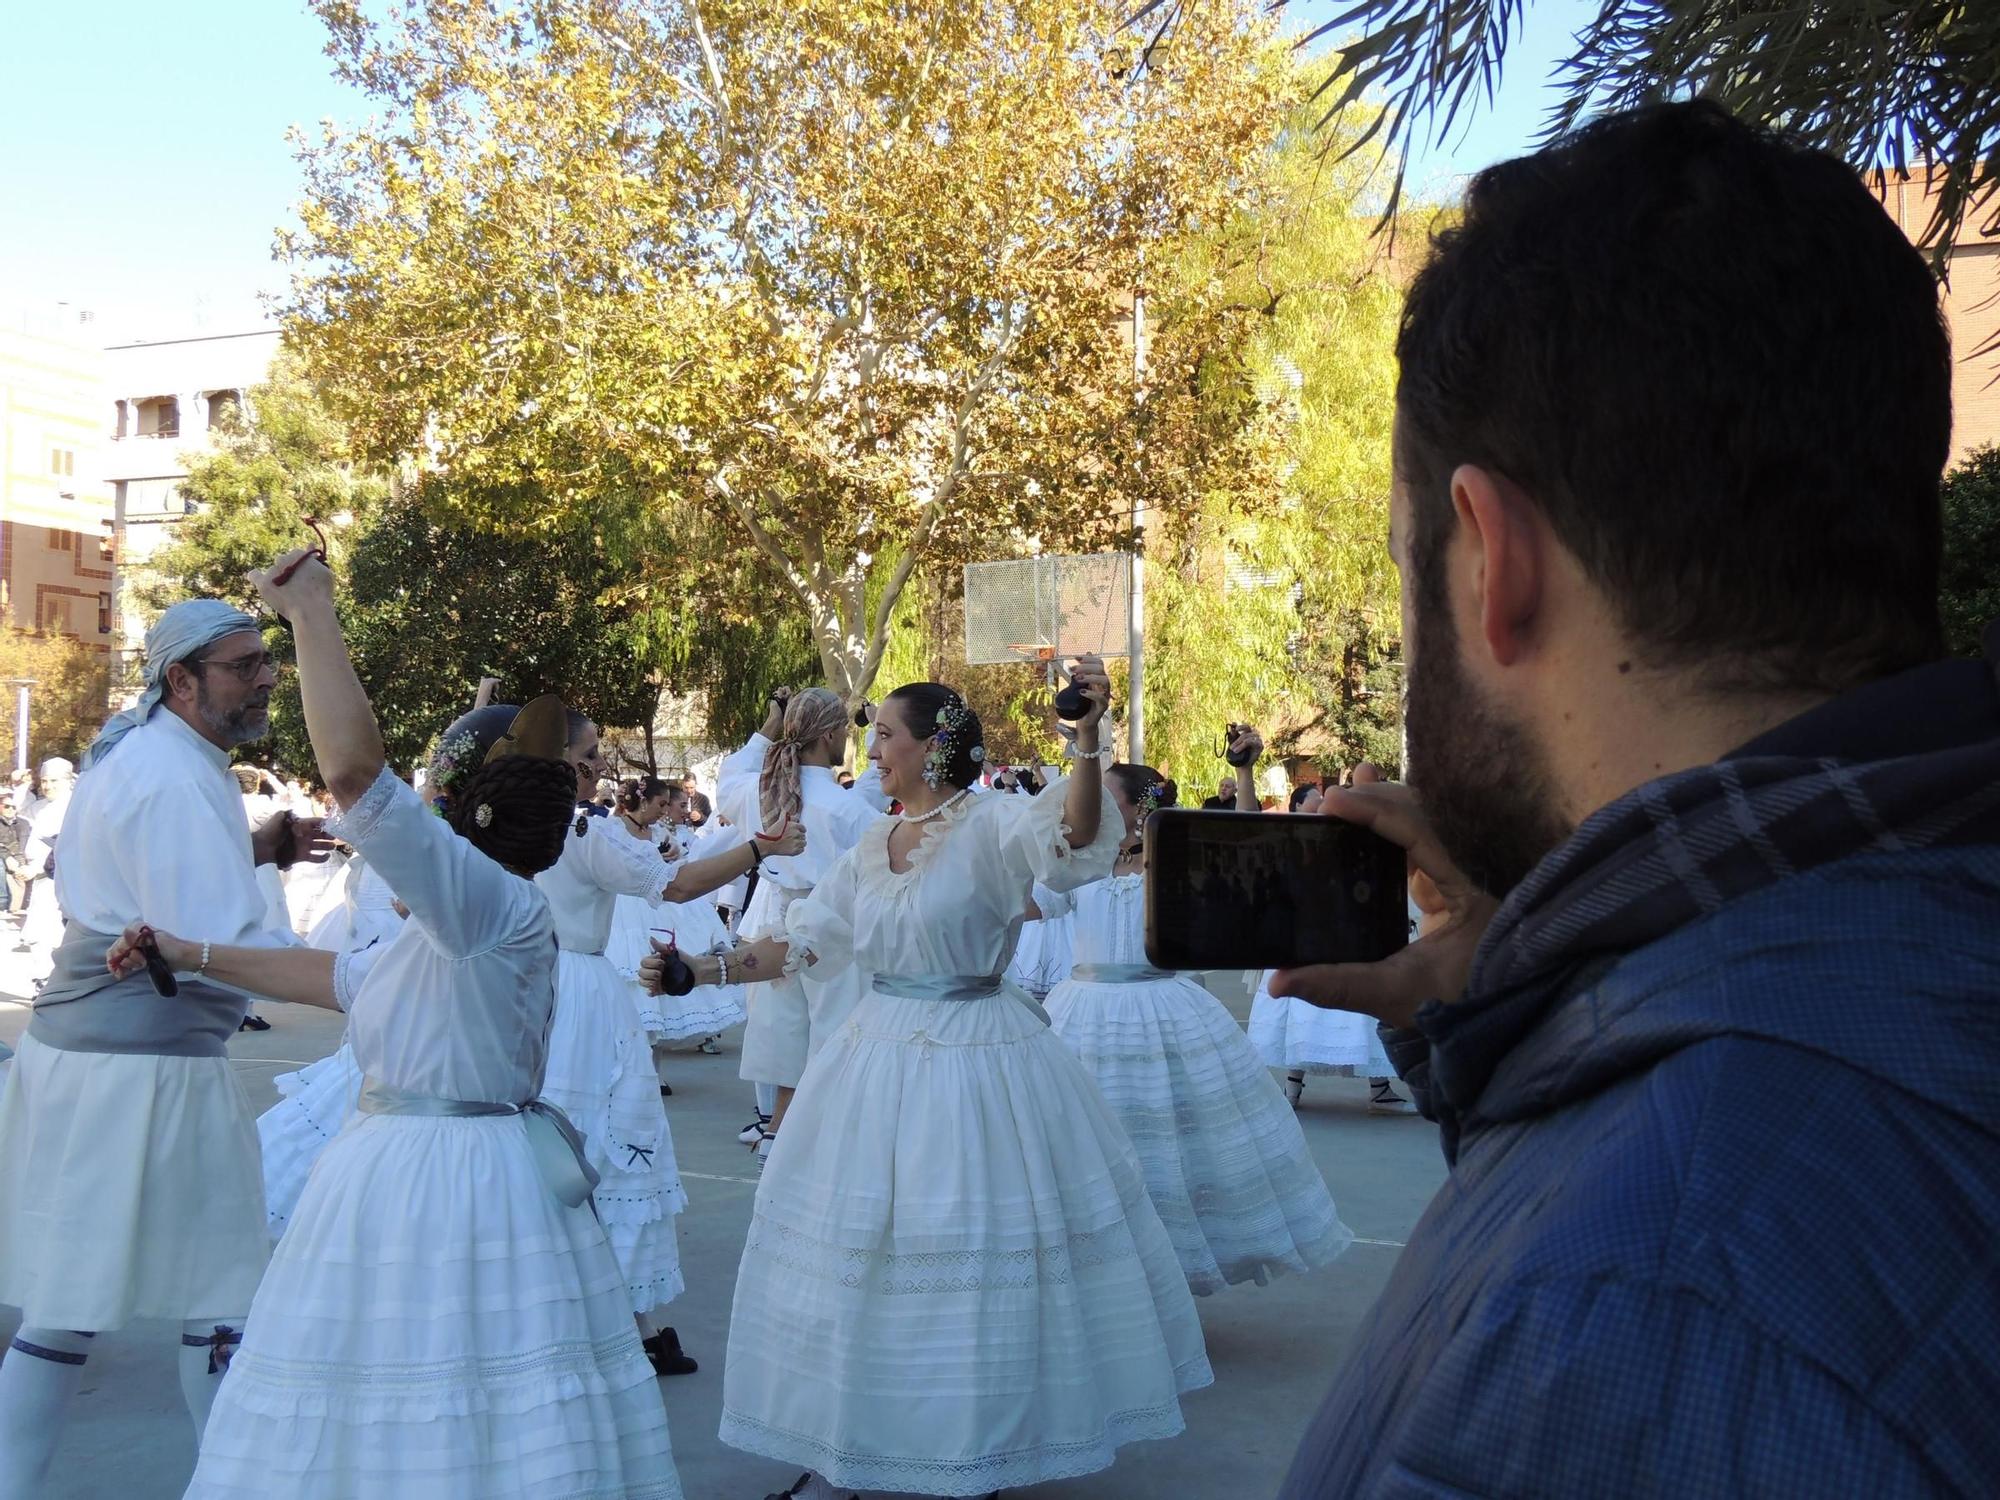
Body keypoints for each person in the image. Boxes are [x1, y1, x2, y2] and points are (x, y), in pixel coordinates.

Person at [1275, 102, 2000, 1498]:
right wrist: (1550, 1030)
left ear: (1490, 564)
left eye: (1407, 566)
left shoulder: (1638, 1316)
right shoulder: (1905, 952)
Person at [132, 549, 682, 1498]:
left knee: (437, 1387)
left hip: (444, 1182)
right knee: (427, 1396)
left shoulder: (484, 900)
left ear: (458, 807)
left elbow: (352, 773)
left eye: (433, 788)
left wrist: (311, 612)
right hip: (430, 1170)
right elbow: (338, 975)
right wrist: (191, 952)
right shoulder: (463, 914)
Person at [649, 659, 1211, 1498]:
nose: (870, 749)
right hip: (872, 1058)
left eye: (884, 736)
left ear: (931, 748)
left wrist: (1086, 739)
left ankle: (969, 1454)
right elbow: (804, 942)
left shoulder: (993, 822)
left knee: (967, 1261)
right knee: (861, 1258)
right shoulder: (872, 841)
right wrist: (700, 969)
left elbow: (1068, 844)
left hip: (981, 1060)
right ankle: (846, 1445)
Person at [0, 599, 330, 1500]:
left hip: (97, 1068)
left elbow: (159, 893)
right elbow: (216, 943)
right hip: (143, 1075)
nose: (265, 677)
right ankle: (230, 1487)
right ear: (180, 680)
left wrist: (261, 846)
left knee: (66, 1311)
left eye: (266, 660)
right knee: (218, 1296)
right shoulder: (178, 776)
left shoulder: (152, 753)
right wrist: (377, 980)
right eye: (242, 665)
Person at [540, 715, 802, 1375]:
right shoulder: (575, 828)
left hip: (527, 985)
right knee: (606, 1146)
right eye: (588, 754)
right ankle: (630, 1323)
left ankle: (576, 1312)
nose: (598, 765)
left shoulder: (501, 824)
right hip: (576, 995)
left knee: (550, 1148)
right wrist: (760, 848)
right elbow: (677, 884)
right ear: (555, 758)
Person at [1042, 762, 1352, 1294]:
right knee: (1081, 1155)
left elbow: (1249, 848)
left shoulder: (1177, 862)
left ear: (1139, 808)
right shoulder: (1077, 866)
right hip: (1081, 1017)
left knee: (1164, 1156)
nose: (1087, 806)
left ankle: (1164, 1284)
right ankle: (1101, 1281)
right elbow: (1027, 902)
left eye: (1104, 797)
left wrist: (1245, 773)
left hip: (1161, 1012)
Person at [716, 687, 887, 1162]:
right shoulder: (844, 807)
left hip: (773, 917)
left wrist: (771, 724)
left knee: (783, 1032)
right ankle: (819, 1140)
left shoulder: (757, 790)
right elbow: (875, 840)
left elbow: (728, 778)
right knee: (833, 1030)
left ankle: (776, 1131)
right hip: (831, 926)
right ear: (831, 734)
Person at [1238, 728, 1412, 1113]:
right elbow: (1247, 823)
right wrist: (1245, 773)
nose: (1321, 803)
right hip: (1300, 937)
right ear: (1298, 807)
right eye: (1313, 800)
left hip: (1348, 935)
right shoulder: (1284, 840)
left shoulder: (1348, 837)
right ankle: (1294, 1088)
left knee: (1363, 1007)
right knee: (1300, 1006)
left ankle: (1379, 1086)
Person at [606, 776, 746, 1060]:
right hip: (628, 907)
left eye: (667, 805)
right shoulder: (615, 829)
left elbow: (682, 863)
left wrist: (673, 854)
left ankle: (653, 1065)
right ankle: (627, 1055)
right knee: (632, 975)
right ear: (643, 801)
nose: (664, 810)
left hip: (663, 905)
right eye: (661, 804)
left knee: (662, 978)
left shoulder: (659, 832)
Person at [14, 757, 75, 961]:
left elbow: (67, 847)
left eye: (54, 781)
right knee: (39, 934)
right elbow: (22, 808)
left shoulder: (74, 805)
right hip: (41, 880)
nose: (48, 786)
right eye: (45, 781)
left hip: (61, 880)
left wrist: (39, 868)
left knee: (53, 934)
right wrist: (22, 784)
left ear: (67, 780)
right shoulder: (41, 806)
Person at [0, 794, 29, 919]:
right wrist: (7, 857)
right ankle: (2, 904)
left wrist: (21, 863)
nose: (11, 809)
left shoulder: (23, 823)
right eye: (7, 806)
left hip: (19, 858)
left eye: (13, 807)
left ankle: (18, 906)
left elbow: (23, 845)